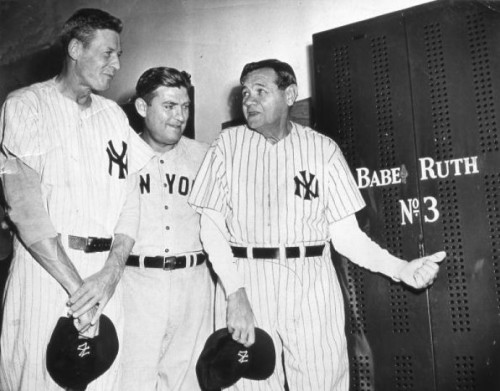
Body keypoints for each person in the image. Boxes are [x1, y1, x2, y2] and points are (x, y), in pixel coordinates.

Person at [188, 59, 445, 390]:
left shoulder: (323, 150)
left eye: (261, 91)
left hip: (311, 280)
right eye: (245, 93)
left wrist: (402, 268)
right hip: (246, 279)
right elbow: (210, 228)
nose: (249, 100)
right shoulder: (227, 145)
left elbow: (348, 238)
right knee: (247, 382)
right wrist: (234, 294)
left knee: (322, 380)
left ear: (290, 94)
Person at [0, 9, 151, 391]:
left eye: (119, 54)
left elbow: (130, 204)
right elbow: (26, 211)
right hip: (48, 275)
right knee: (35, 379)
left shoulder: (114, 117)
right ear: (74, 49)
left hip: (103, 279)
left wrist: (110, 275)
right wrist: (78, 291)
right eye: (107, 53)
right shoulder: (25, 105)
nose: (117, 64)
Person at [119, 67, 213, 390]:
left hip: (194, 284)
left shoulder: (203, 155)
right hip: (137, 284)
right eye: (169, 106)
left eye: (185, 107)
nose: (179, 116)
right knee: (133, 380)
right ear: (143, 108)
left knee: (189, 383)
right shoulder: (122, 153)